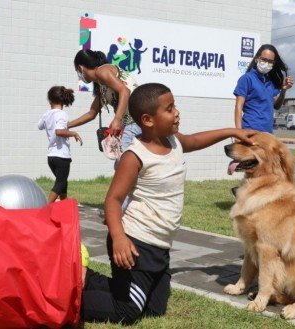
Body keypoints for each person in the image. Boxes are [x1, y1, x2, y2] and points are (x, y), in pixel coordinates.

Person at [81, 83, 257, 324]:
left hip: (159, 247)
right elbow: (113, 199)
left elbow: (195, 140)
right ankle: (61, 296)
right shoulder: (135, 156)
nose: (177, 112)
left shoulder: (173, 141)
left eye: (175, 106)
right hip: (135, 243)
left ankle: (85, 277)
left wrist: (232, 131)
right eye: (169, 108)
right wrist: (119, 237)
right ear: (148, 119)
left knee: (154, 309)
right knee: (128, 312)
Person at [69, 49, 140, 155]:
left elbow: (125, 91)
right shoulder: (102, 86)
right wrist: (67, 125)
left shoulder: (102, 71)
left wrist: (117, 119)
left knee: (124, 164)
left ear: (81, 68)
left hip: (136, 122)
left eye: (77, 72)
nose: (79, 76)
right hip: (133, 124)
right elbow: (91, 114)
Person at [234, 44, 294, 133]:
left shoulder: (270, 82)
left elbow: (276, 106)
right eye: (264, 60)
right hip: (250, 132)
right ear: (257, 59)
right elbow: (239, 107)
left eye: (270, 61)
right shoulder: (247, 79)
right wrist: (238, 133)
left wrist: (283, 89)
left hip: (268, 133)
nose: (266, 64)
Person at [38, 86, 83, 203]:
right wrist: (74, 133)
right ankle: (46, 208)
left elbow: (40, 126)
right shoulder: (62, 114)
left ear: (50, 100)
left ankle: (64, 204)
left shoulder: (47, 114)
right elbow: (59, 131)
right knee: (61, 182)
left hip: (51, 157)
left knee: (62, 181)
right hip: (62, 156)